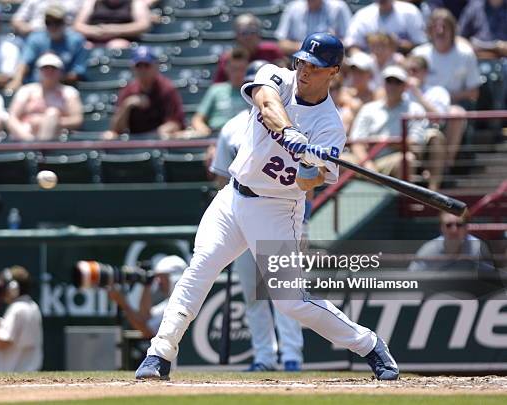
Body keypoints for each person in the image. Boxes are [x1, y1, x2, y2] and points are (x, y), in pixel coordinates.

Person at [135, 32, 399, 381]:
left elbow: (312, 182)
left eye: (315, 67)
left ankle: (368, 344)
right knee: (200, 268)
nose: (304, 70)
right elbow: (266, 102)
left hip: (277, 208)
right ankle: (159, 354)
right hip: (233, 196)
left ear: (333, 71)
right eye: (303, 61)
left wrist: (309, 163)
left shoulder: (330, 127)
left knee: (292, 301)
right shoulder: (277, 76)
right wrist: (291, 134)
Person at [208, 59, 305, 372]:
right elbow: (223, 177)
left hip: (277, 213)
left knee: (285, 291)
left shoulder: (292, 118)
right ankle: (264, 356)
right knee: (253, 294)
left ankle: (292, 356)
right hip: (241, 212)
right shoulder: (232, 127)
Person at [348, 65, 446, 191]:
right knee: (330, 158)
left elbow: (415, 144)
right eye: (389, 81)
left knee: (407, 160)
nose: (392, 86)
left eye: (397, 82)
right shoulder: (368, 109)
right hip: (366, 161)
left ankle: (401, 205)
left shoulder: (415, 109)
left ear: (404, 87)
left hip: (393, 160)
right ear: (383, 84)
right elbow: (357, 143)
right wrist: (367, 165)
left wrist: (384, 142)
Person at [108, 46, 184, 139]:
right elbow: (116, 129)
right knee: (109, 136)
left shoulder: (166, 89)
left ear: (156, 67)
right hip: (135, 140)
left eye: (146, 65)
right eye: (139, 66)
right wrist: (127, 105)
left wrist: (157, 134)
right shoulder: (128, 91)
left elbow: (176, 123)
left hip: (160, 140)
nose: (143, 70)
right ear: (133, 69)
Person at [7, 4, 89, 90]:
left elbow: (77, 73)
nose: (53, 26)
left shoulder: (76, 40)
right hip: (36, 87)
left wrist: (51, 80)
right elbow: (24, 63)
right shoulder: (36, 38)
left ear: (65, 22)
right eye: (49, 22)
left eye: (57, 22)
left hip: (64, 89)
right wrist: (17, 80)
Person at [411, 8, 482, 108]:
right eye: (436, 27)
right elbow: (409, 85)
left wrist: (445, 98)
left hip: (453, 108)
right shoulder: (418, 54)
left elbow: (474, 93)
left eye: (445, 26)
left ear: (452, 30)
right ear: (430, 31)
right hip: (422, 107)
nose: (440, 31)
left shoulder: (466, 54)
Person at [403, 55, 464, 169]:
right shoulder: (399, 91)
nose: (411, 74)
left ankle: (435, 184)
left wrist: (417, 93)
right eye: (408, 70)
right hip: (403, 132)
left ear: (425, 72)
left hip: (427, 132)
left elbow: (438, 119)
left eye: (415, 70)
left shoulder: (437, 91)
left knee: (435, 138)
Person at [7, 53, 83, 142]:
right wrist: (28, 138)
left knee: (52, 113)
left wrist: (49, 122)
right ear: (38, 71)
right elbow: (12, 118)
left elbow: (77, 119)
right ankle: (37, 147)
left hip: (56, 136)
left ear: (61, 72)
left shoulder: (69, 92)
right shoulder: (26, 90)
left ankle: (41, 148)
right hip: (25, 135)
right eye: (45, 68)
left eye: (53, 68)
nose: (49, 71)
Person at [107, 256, 187, 338]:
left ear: (174, 279)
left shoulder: (181, 305)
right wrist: (147, 284)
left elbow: (146, 330)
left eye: (161, 277)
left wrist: (122, 303)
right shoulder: (171, 303)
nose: (158, 282)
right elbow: (145, 317)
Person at [0, 266, 43, 372]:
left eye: (4, 285)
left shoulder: (18, 309)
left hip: (14, 377)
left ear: (13, 288)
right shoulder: (32, 306)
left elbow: (0, 343)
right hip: (25, 375)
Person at [190, 48, 249, 137]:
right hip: (217, 136)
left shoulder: (252, 92)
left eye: (241, 69)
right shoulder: (216, 90)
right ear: (226, 68)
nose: (238, 73)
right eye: (234, 69)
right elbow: (197, 119)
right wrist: (204, 131)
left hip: (245, 136)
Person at [408, 212, 495, 272]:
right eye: (449, 225)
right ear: (441, 228)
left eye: (459, 225)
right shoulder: (429, 250)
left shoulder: (477, 247)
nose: (454, 230)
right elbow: (413, 280)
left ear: (466, 228)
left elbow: (489, 279)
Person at [214, 14, 284, 83]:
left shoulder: (271, 51)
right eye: (244, 33)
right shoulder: (229, 58)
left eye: (252, 31)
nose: (248, 37)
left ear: (259, 33)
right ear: (237, 36)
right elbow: (219, 85)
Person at [344, 0, 427, 53]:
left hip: (401, 64)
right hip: (370, 67)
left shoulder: (410, 11)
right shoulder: (362, 15)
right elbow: (352, 46)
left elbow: (420, 44)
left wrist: (397, 45)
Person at [275, 0, 352, 56]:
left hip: (329, 60)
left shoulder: (338, 7)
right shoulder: (294, 8)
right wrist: (310, 48)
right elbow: (282, 44)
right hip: (298, 60)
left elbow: (349, 41)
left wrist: (328, 47)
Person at [73, 0, 152, 49]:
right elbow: (77, 25)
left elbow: (143, 24)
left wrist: (115, 30)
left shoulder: (135, 2)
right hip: (93, 39)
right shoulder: (93, 2)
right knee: (83, 47)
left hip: (121, 40)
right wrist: (95, 31)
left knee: (117, 45)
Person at [12, 0, 84, 37]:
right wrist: (27, 29)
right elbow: (17, 20)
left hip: (64, 38)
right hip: (34, 36)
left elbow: (80, 24)